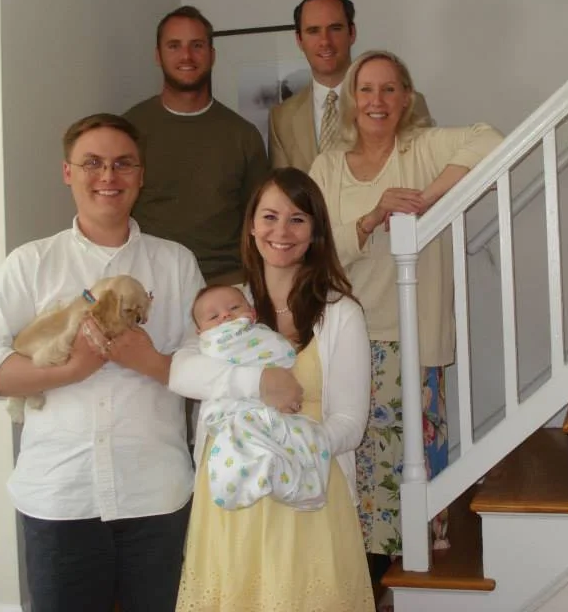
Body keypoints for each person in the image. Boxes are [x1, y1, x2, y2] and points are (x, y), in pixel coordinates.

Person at [0, 113, 204, 612]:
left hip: (155, 496)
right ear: (67, 172)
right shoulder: (31, 263)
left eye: (123, 164)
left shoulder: (176, 263)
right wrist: (69, 370)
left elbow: (204, 368)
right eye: (92, 163)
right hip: (60, 497)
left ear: (141, 175)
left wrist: (149, 361)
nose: (108, 176)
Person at [308, 50, 503, 566]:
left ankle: (409, 570)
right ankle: (362, 572)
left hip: (411, 335)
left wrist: (425, 200)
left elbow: (489, 139)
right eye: (366, 89)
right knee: (356, 462)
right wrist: (373, 217)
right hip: (345, 333)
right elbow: (313, 243)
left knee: (407, 460)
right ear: (351, 100)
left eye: (389, 89)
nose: (377, 100)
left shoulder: (422, 148)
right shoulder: (327, 166)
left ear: (407, 97)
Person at [170, 168, 375, 611]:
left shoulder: (341, 313)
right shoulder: (223, 305)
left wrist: (289, 446)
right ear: (251, 226)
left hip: (309, 490)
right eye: (269, 217)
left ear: (315, 231)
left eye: (297, 219)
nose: (281, 231)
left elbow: (350, 423)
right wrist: (259, 382)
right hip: (232, 494)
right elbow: (182, 372)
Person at [125, 5, 270, 286]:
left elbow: (261, 221)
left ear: (212, 55)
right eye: (174, 46)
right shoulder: (128, 130)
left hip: (227, 283)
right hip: (150, 282)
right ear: (158, 55)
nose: (186, 56)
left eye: (197, 45)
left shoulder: (243, 135)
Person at [191, 284, 332, 512]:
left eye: (234, 308)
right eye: (213, 316)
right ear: (200, 333)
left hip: (277, 411)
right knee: (243, 438)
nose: (225, 316)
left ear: (252, 313)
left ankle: (296, 483)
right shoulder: (206, 348)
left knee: (305, 434)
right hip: (235, 411)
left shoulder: (264, 336)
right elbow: (205, 375)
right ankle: (257, 474)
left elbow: (281, 354)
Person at [268, 0, 433, 172]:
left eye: (335, 28)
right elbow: (283, 187)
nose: (325, 41)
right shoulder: (281, 119)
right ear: (299, 40)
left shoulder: (405, 102)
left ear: (352, 33)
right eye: (313, 31)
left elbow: (423, 172)